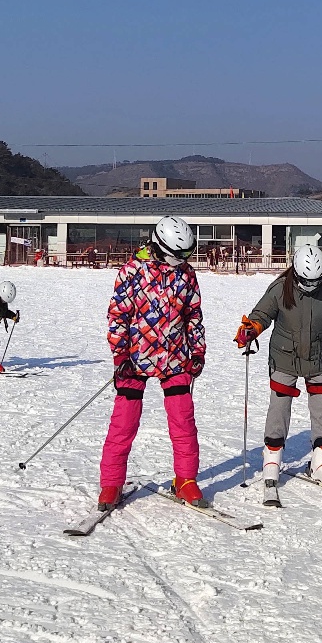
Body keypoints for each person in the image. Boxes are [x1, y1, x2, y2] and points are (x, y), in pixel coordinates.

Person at [235, 243, 322, 494]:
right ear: (296, 273)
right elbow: (261, 315)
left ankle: (321, 460)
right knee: (279, 408)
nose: (311, 287)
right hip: (284, 358)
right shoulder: (280, 288)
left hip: (319, 358)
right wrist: (251, 329)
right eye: (306, 282)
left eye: (316, 281)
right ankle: (272, 458)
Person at [99, 216, 207, 508]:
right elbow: (117, 316)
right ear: (159, 246)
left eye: (187, 255)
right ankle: (111, 483)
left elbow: (192, 315)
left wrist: (197, 351)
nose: (182, 261)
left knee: (183, 421)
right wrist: (120, 355)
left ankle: (185, 479)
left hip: (175, 358)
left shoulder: (186, 274)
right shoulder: (132, 272)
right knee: (123, 423)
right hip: (135, 358)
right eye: (177, 255)